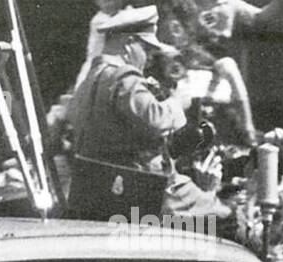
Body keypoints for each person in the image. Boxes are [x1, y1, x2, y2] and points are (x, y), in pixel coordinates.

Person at [66, 6, 226, 220]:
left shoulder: (88, 82)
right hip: (144, 189)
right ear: (130, 43)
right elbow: (158, 120)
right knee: (228, 217)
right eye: (147, 50)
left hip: (100, 188)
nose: (149, 59)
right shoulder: (124, 80)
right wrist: (177, 101)